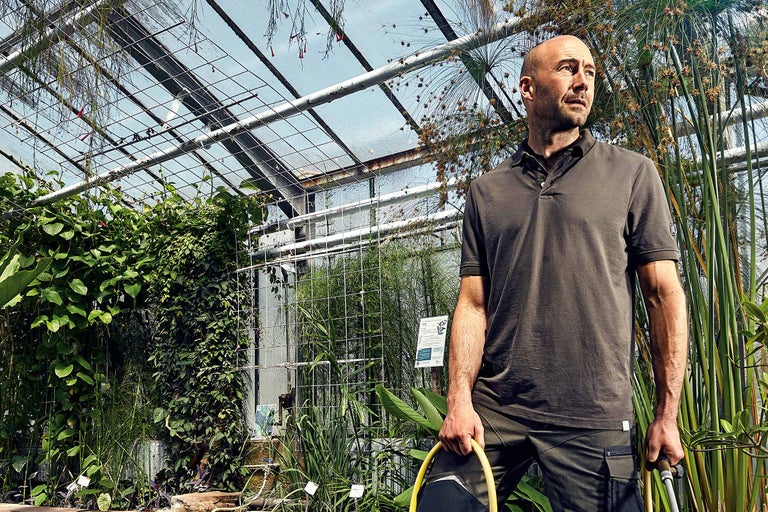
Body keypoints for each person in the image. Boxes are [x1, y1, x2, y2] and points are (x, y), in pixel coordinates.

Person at [416, 35, 688, 511]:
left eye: (590, 71)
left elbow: (663, 295)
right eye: (567, 68)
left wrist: (668, 414)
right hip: (498, 408)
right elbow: (473, 305)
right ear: (528, 88)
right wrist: (458, 398)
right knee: (441, 504)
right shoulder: (486, 192)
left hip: (592, 412)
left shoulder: (632, 174)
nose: (584, 81)